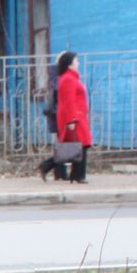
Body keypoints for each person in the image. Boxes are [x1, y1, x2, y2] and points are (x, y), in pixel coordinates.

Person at [39, 51, 91, 184]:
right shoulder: (68, 79)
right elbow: (68, 102)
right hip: (74, 118)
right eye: (76, 60)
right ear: (69, 64)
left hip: (77, 117)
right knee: (79, 145)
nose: (78, 63)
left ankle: (49, 167)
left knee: (75, 146)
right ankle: (77, 175)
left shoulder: (71, 78)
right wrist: (71, 120)